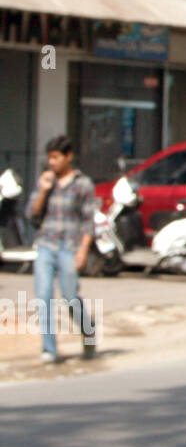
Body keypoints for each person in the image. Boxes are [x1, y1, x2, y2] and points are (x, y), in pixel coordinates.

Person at [26, 135, 98, 363]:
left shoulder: (82, 184)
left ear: (69, 157)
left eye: (56, 157)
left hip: (69, 246)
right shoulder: (46, 182)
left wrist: (83, 251)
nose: (52, 162)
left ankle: (88, 333)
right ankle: (49, 349)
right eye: (50, 158)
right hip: (46, 245)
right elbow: (31, 214)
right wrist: (43, 190)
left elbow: (88, 221)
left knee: (70, 297)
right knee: (44, 295)